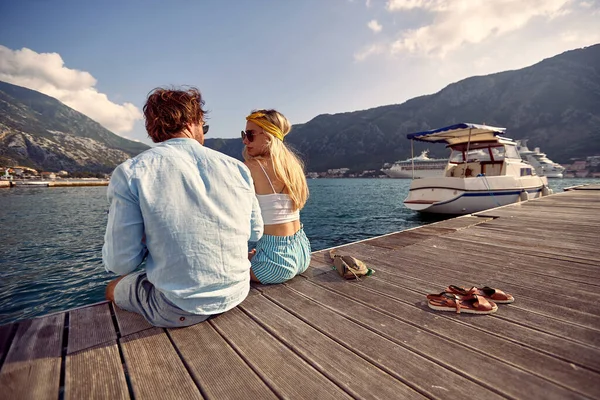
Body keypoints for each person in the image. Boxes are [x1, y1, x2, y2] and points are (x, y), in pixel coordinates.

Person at [103, 87, 263, 328]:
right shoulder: (238, 168)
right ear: (194, 121)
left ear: (153, 129)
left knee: (113, 288)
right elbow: (255, 233)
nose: (204, 134)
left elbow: (119, 263)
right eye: (204, 127)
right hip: (237, 292)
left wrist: (152, 238)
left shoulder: (131, 172)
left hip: (176, 307)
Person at [242, 109, 311, 284]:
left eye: (250, 135)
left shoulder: (252, 166)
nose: (244, 140)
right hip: (302, 252)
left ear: (268, 136)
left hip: (275, 264)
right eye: (244, 134)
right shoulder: (293, 166)